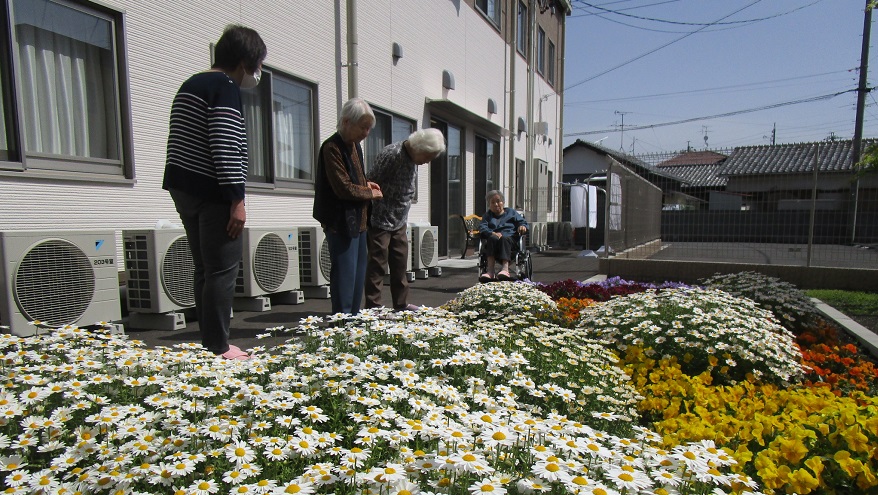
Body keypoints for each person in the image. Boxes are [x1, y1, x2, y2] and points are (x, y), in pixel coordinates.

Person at [163, 25, 266, 360]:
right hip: (214, 191)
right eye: (255, 66)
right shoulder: (224, 87)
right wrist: (237, 199)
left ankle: (210, 342)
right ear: (243, 61)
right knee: (222, 270)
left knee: (204, 269)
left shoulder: (190, 84)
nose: (255, 74)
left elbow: (180, 143)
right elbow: (225, 145)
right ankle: (219, 346)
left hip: (183, 187)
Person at [313, 98, 383, 314]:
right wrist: (369, 192)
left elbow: (354, 179)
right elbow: (342, 187)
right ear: (346, 122)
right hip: (339, 221)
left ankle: (352, 320)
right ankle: (342, 323)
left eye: (369, 128)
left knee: (357, 275)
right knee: (344, 276)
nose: (366, 132)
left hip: (359, 221)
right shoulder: (332, 147)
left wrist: (366, 184)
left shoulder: (354, 146)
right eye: (363, 127)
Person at [365, 129, 446, 311]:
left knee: (400, 264)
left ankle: (400, 305)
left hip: (400, 220)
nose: (427, 161)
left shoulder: (413, 158)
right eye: (428, 156)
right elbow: (369, 181)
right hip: (380, 219)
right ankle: (373, 307)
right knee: (377, 265)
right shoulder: (392, 154)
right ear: (420, 147)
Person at [478, 190, 528, 282]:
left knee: (504, 238)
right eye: (492, 202)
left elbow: (522, 222)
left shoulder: (511, 212)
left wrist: (522, 226)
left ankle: (505, 270)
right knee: (492, 238)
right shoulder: (487, 215)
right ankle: (490, 272)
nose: (496, 204)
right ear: (489, 205)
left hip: (510, 241)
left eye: (498, 201)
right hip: (494, 243)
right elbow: (482, 227)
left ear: (503, 202)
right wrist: (491, 233)